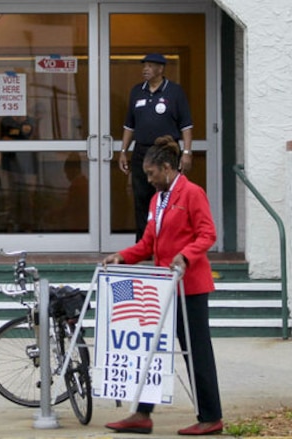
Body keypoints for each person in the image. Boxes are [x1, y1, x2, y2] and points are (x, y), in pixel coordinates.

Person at [102, 135, 223, 436]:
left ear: (167, 168)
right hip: (163, 287)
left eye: (152, 174)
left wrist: (185, 255)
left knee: (196, 351)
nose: (149, 179)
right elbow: (147, 244)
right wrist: (122, 257)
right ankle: (142, 413)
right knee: (151, 349)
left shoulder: (192, 193)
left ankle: (211, 416)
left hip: (189, 286)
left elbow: (207, 234)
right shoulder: (157, 200)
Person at [118, 53, 194, 242]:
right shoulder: (137, 91)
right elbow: (129, 126)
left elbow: (186, 126)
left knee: (168, 198)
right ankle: (144, 244)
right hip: (142, 151)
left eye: (150, 66)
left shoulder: (174, 92)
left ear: (161, 69)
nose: (145, 69)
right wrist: (123, 151)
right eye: (144, 66)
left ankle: (168, 241)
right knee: (141, 197)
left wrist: (186, 152)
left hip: (166, 152)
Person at [0, 115, 38, 232]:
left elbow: (32, 138)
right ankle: (11, 225)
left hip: (27, 164)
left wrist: (16, 139)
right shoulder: (6, 121)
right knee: (11, 197)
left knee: (28, 197)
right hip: (9, 164)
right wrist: (20, 138)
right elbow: (4, 139)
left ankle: (28, 226)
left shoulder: (30, 121)